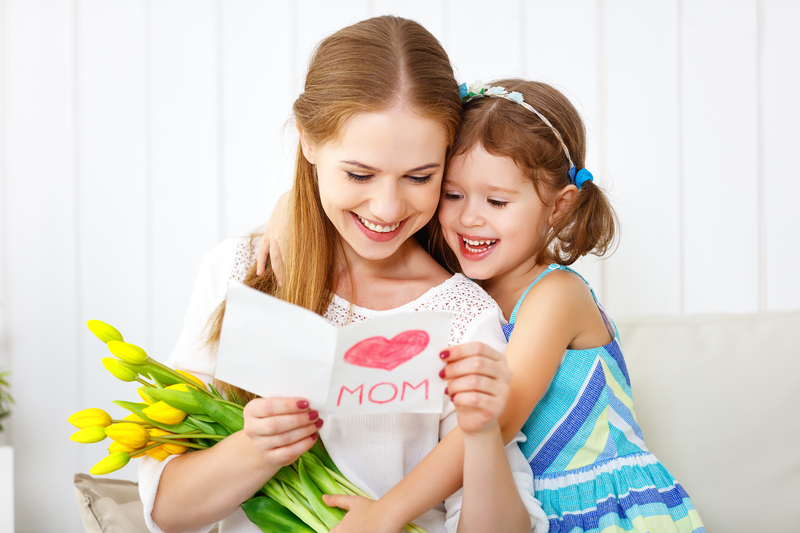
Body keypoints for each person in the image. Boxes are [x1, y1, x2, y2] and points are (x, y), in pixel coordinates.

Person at [138, 18, 547, 533]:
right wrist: (256, 448)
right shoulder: (240, 270)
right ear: (308, 141)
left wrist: (484, 431)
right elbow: (165, 513)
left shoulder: (464, 317)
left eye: (420, 177)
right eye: (359, 174)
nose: (387, 206)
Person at [258, 79, 706, 533]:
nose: (470, 217)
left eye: (496, 200)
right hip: (521, 507)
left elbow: (498, 422)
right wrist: (288, 208)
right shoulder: (457, 286)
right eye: (452, 195)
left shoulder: (556, 295)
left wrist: (387, 513)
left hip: (602, 510)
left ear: (559, 206)